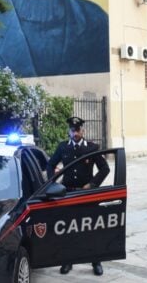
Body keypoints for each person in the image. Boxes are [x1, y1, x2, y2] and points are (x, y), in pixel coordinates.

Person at [47, 116, 111, 276]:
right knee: (69, 228)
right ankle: (68, 260)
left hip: (86, 194)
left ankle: (96, 261)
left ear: (83, 130)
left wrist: (92, 184)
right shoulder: (63, 147)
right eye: (72, 130)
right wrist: (53, 184)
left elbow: (105, 169)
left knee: (91, 228)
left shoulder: (92, 148)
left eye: (78, 130)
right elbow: (50, 165)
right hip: (68, 193)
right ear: (69, 131)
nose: (75, 133)